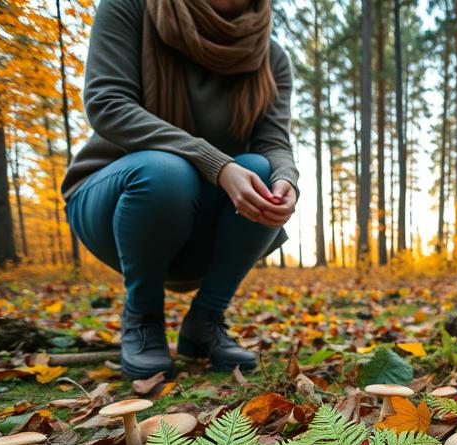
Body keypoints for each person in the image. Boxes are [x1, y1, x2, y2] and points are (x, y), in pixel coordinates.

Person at [62, 0, 299, 378]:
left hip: (203, 222)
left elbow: (273, 141)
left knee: (264, 172)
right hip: (114, 203)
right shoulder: (133, 10)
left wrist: (287, 181)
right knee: (166, 171)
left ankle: (205, 321)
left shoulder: (270, 55)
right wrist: (215, 164)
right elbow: (107, 103)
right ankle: (142, 318)